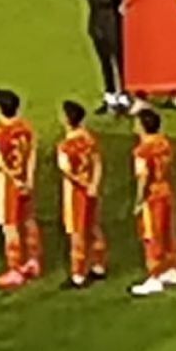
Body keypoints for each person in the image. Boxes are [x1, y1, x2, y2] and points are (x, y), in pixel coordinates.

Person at [0, 89, 40, 290]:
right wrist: (28, 180)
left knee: (10, 226)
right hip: (27, 181)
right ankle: (33, 261)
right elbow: (32, 155)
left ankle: (15, 269)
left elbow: (0, 162)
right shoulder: (26, 128)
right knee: (28, 221)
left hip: (9, 185)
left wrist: (15, 181)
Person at [128, 107, 176, 296]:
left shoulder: (142, 151)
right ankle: (171, 269)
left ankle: (156, 274)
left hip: (152, 195)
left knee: (152, 235)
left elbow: (144, 176)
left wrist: (139, 199)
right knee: (167, 231)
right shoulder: (164, 144)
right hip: (166, 190)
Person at [54, 100, 107, 289]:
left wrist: (83, 184)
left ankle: (78, 274)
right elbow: (98, 163)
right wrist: (93, 185)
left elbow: (67, 171)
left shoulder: (65, 146)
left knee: (76, 232)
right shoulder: (90, 140)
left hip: (75, 194)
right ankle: (99, 265)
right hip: (92, 191)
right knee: (93, 226)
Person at [81, 0, 131, 115]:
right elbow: (99, 0)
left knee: (121, 62)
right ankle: (110, 96)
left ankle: (124, 96)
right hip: (99, 25)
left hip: (115, 24)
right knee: (105, 63)